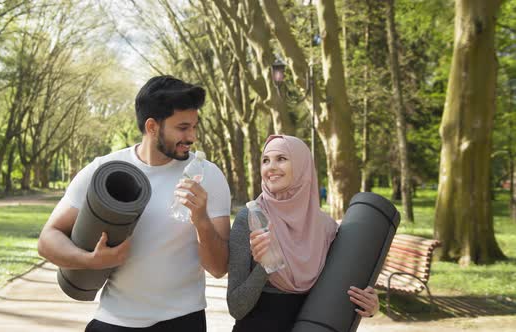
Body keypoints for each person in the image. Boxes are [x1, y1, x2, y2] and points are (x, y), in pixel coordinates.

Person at [37, 76, 231, 332]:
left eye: (195, 126)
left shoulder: (209, 176)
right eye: (183, 127)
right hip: (113, 320)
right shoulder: (103, 170)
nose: (192, 136)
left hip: (183, 321)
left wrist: (201, 220)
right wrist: (90, 260)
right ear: (152, 127)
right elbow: (47, 240)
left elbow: (218, 268)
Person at [227, 135, 379, 332]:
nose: (270, 167)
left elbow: (340, 288)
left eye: (281, 158)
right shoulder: (250, 218)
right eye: (265, 160)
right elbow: (236, 307)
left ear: (302, 166)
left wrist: (370, 304)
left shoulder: (327, 228)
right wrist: (266, 266)